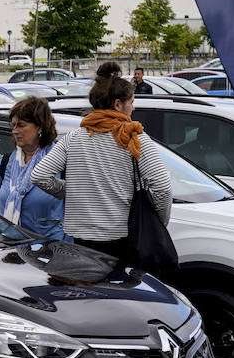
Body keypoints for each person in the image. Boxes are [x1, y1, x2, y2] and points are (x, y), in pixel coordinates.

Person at [31, 61, 171, 263]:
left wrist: (72, 191)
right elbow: (163, 188)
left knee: (88, 291)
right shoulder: (134, 138)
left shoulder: (73, 137)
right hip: (122, 238)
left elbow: (39, 176)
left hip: (79, 241)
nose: (133, 107)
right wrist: (159, 221)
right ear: (117, 104)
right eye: (131, 102)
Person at [0, 96, 67, 241]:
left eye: (21, 125)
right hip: (11, 251)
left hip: (51, 253)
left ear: (40, 127)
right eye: (13, 126)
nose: (15, 131)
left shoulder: (62, 163)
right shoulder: (6, 163)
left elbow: (76, 215)